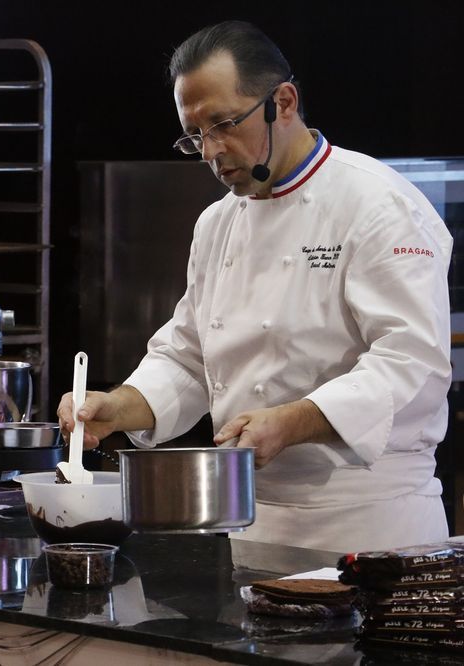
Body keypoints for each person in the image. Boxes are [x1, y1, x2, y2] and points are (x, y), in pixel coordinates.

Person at [57, 20, 453, 553]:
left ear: (283, 102)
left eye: (222, 124)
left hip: (369, 524)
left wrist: (294, 421)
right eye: (194, 134)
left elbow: (412, 361)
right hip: (251, 521)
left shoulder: (380, 206)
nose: (209, 150)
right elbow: (189, 358)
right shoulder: (217, 222)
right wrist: (118, 406)